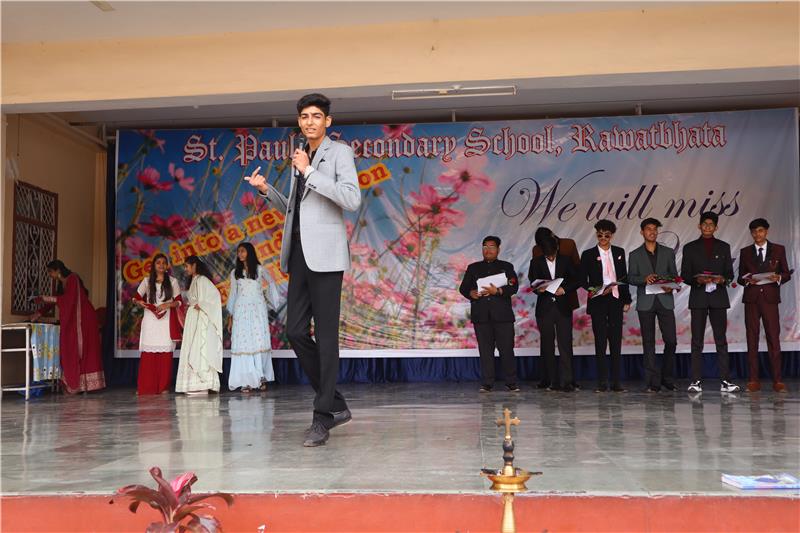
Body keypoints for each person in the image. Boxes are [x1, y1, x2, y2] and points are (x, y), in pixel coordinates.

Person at [245, 93, 361, 447]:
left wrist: (309, 171)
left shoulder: (339, 153)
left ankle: (322, 416)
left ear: (328, 121)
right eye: (305, 116)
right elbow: (296, 210)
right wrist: (267, 190)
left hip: (326, 257)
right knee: (295, 332)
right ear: (299, 122)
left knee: (325, 337)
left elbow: (351, 199)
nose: (310, 121)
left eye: (316, 116)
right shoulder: (300, 155)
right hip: (298, 256)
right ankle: (335, 403)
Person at [680, 211, 739, 393]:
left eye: (711, 224)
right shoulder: (689, 247)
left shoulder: (724, 247)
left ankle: (725, 381)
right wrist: (697, 280)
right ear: (699, 226)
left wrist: (722, 280)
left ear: (716, 227)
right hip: (698, 298)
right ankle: (696, 381)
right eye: (704, 224)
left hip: (718, 298)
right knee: (697, 341)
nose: (707, 227)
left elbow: (729, 274)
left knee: (721, 340)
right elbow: (685, 275)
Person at [30, 260, 106, 394]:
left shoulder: (73, 279)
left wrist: (46, 298)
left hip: (84, 319)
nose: (50, 275)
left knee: (84, 349)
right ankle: (78, 384)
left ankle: (86, 385)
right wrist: (37, 314)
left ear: (58, 270)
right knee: (74, 348)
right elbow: (56, 301)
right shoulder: (61, 284)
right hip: (76, 320)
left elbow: (69, 300)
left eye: (50, 272)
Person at [458, 236, 520, 393]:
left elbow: (513, 287)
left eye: (492, 247)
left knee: (507, 349)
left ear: (498, 249)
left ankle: (511, 382)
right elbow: (463, 288)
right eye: (485, 247)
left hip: (503, 316)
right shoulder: (473, 268)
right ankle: (487, 383)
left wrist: (498, 290)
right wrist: (471, 293)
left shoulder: (506, 267)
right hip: (481, 316)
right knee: (485, 351)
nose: (488, 250)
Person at [737, 218, 793, 393]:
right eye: (754, 231)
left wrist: (779, 277)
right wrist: (747, 281)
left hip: (770, 299)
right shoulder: (745, 252)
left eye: (760, 230)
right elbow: (740, 277)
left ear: (766, 231)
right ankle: (753, 380)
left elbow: (786, 273)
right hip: (752, 300)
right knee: (751, 339)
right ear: (751, 233)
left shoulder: (778, 249)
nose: (757, 234)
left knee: (773, 338)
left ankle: (777, 380)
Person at [580, 220, 631, 392]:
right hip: (598, 301)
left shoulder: (619, 252)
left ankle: (616, 382)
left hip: (616, 300)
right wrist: (597, 290)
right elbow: (582, 280)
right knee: (600, 342)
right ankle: (602, 382)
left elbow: (623, 277)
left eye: (606, 235)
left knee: (616, 341)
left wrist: (627, 300)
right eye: (600, 235)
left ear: (612, 236)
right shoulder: (588, 254)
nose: (603, 238)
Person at [627, 218, 678, 393]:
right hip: (646, 302)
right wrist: (644, 279)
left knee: (671, 340)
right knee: (648, 343)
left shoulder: (668, 252)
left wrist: (671, 285)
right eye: (649, 229)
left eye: (655, 229)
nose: (652, 232)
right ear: (642, 232)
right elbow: (630, 278)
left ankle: (667, 378)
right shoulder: (635, 254)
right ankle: (652, 382)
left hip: (665, 300)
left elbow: (674, 276)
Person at [528, 234, 582, 392]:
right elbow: (533, 283)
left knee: (565, 345)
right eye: (547, 255)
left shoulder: (566, 260)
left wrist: (564, 289)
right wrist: (538, 289)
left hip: (563, 306)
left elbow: (577, 280)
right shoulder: (535, 262)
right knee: (547, 345)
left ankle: (567, 381)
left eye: (552, 254)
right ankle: (551, 381)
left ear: (557, 248)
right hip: (544, 308)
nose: (550, 257)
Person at [226, 242, 276, 392]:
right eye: (238, 251)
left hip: (257, 311)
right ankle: (246, 380)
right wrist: (230, 316)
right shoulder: (235, 273)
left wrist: (267, 300)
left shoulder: (259, 270)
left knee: (257, 341)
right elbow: (233, 295)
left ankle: (260, 377)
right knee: (244, 343)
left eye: (243, 251)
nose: (240, 254)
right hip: (241, 311)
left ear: (250, 252)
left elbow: (271, 283)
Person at [132, 253, 183, 395]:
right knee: (149, 355)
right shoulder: (147, 281)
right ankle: (146, 386)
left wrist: (168, 304)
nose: (161, 265)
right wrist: (139, 302)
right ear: (154, 265)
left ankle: (163, 387)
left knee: (165, 355)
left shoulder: (172, 281)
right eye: (158, 262)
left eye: (163, 263)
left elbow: (179, 301)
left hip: (166, 322)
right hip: (150, 321)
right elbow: (135, 298)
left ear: (167, 266)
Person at [176, 256, 223, 395]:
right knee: (191, 347)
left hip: (200, 318)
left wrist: (201, 304)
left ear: (194, 265)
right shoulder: (194, 280)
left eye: (187, 266)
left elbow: (215, 296)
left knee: (199, 348)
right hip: (193, 318)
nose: (186, 269)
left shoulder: (202, 280)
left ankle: (203, 384)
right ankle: (193, 384)